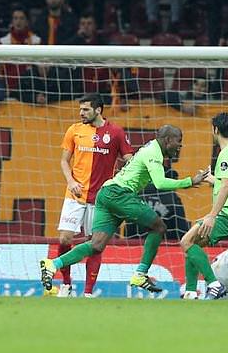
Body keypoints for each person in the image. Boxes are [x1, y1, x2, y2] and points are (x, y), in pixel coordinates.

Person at [40, 125, 211, 294]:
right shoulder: (154, 153)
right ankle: (140, 274)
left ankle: (52, 264)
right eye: (178, 141)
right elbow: (160, 183)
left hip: (105, 193)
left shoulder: (151, 148)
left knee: (96, 245)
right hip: (119, 194)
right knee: (159, 227)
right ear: (168, 140)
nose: (180, 145)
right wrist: (190, 181)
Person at [55, 93, 134, 297]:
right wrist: (71, 181)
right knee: (64, 238)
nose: (81, 113)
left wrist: (120, 180)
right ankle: (66, 284)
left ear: (98, 110)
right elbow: (64, 161)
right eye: (80, 109)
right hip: (75, 194)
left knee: (95, 244)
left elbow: (130, 160)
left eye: (86, 109)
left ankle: (88, 292)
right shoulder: (74, 130)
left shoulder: (115, 132)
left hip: (100, 199)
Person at [180, 113, 228, 299]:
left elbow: (227, 187)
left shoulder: (226, 153)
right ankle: (190, 292)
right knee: (193, 246)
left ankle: (214, 284)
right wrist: (213, 179)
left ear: (216, 130)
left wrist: (212, 216)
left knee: (186, 241)